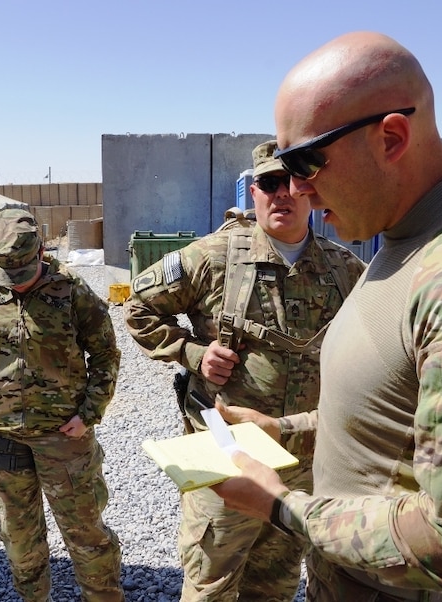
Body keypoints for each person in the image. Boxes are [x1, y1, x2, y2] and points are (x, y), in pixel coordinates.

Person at [211, 31, 442, 601]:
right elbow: (392, 417)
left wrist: (282, 506)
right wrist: (280, 432)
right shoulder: (404, 242)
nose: (300, 188)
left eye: (306, 160)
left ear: (391, 137)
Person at [124, 141, 365, 601]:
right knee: (210, 583)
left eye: (295, 183)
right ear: (254, 192)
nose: (284, 195)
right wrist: (193, 353)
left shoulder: (343, 267)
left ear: (312, 191)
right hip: (224, 454)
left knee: (274, 582)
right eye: (270, 184)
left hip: (302, 456)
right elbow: (137, 309)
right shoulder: (212, 257)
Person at [0, 208, 124, 601]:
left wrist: (89, 412)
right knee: (19, 538)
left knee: (86, 534)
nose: (18, 284)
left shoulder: (72, 289)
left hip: (64, 437)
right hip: (2, 439)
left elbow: (106, 354)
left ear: (41, 251)